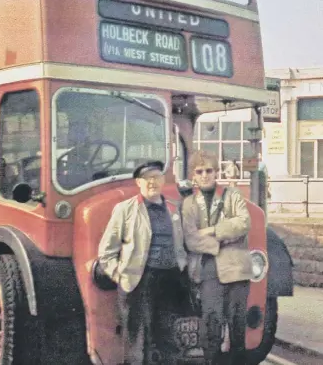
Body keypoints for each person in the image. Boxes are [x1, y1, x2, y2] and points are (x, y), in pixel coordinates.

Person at [98, 160, 188, 364]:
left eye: (156, 178)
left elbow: (183, 243)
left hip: (170, 280)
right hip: (139, 281)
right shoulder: (125, 210)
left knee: (168, 336)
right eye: (146, 179)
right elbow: (106, 251)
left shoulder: (174, 209)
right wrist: (120, 276)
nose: (152, 183)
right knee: (138, 340)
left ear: (163, 180)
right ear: (138, 183)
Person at [182, 151, 253, 365]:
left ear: (216, 172)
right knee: (211, 323)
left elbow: (243, 223)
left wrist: (211, 230)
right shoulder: (189, 204)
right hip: (210, 269)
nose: (205, 175)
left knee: (238, 323)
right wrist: (221, 243)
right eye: (200, 171)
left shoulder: (233, 195)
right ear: (193, 175)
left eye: (209, 170)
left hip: (238, 268)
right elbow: (191, 238)